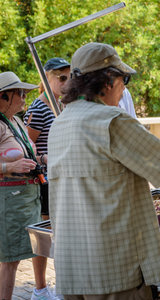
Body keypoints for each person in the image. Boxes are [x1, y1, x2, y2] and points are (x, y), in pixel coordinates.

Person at [47, 42, 160, 299]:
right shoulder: (112, 120)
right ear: (107, 81)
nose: (125, 86)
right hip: (115, 270)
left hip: (73, 268)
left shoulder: (59, 124)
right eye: (123, 78)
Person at [0, 72, 56, 300]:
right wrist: (7, 166)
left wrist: (42, 160)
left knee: (30, 249)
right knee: (10, 260)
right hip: (9, 198)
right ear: (3, 97)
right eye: (20, 93)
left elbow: (29, 153)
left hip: (27, 196)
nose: (25, 98)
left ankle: (40, 290)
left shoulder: (16, 121)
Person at [23, 57, 70, 299]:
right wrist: (45, 158)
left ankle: (62, 285)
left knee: (64, 234)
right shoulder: (38, 108)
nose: (66, 82)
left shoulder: (64, 105)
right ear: (46, 78)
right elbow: (25, 146)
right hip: (46, 182)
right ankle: (40, 289)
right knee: (44, 237)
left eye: (69, 77)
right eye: (61, 78)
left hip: (64, 180)